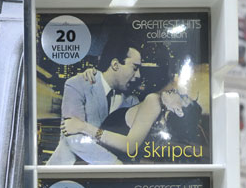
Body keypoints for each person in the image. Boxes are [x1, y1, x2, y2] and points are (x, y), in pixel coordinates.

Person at [47, 37, 142, 165]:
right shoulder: (77, 84)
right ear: (115, 65)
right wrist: (115, 164)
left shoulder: (132, 101)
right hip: (68, 171)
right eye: (135, 68)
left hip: (109, 174)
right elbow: (74, 138)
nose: (138, 75)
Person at [61, 88, 203, 164]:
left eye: (183, 97)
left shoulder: (154, 101)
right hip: (105, 159)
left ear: (179, 111)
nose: (178, 91)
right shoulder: (160, 120)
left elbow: (129, 146)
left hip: (105, 158)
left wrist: (83, 127)